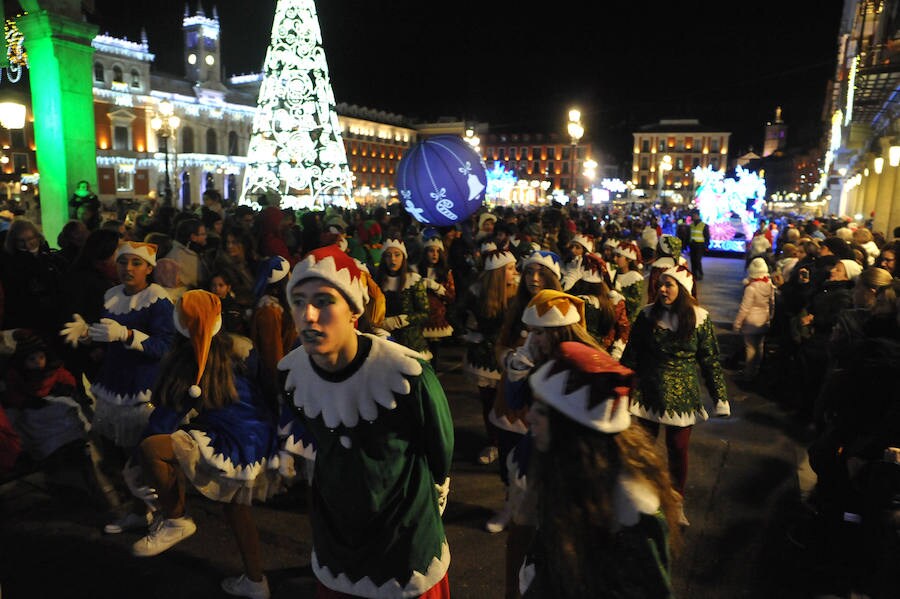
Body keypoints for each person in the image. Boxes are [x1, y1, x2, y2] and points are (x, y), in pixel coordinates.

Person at [278, 245, 453, 598]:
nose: (308, 315)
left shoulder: (406, 374)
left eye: (324, 300)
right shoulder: (293, 375)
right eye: (298, 301)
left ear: (354, 311)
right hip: (336, 541)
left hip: (404, 544)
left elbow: (440, 449)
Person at [126, 290, 280, 599]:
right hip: (261, 437)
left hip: (231, 443)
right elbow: (266, 389)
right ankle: (255, 581)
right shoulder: (240, 347)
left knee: (152, 449)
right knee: (236, 508)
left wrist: (134, 464)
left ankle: (176, 519)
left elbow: (164, 422)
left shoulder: (187, 362)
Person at [514, 342, 679, 599]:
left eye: (543, 411)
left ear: (573, 428)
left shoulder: (633, 502)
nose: (530, 416)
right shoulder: (564, 461)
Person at [60, 241, 176, 531]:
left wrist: (126, 334)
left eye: (136, 263)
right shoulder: (112, 295)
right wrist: (91, 336)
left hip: (144, 389)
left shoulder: (158, 298)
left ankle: (169, 515)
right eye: (123, 262)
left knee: (148, 458)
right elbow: (109, 341)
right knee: (125, 455)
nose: (128, 268)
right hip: (114, 383)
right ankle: (140, 511)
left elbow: (164, 346)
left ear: (149, 268)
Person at [621, 265, 730, 526]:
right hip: (649, 390)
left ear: (683, 289)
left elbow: (710, 360)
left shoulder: (700, 318)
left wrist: (719, 397)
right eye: (660, 284)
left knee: (678, 449)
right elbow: (632, 354)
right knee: (644, 448)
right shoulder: (647, 315)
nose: (661, 289)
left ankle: (675, 500)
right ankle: (645, 497)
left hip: (683, 395)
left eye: (669, 285)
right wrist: (622, 389)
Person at [377, 238, 431, 358]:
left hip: (411, 343)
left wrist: (400, 320)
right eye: (388, 255)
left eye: (397, 255)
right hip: (385, 341)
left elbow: (424, 313)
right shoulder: (377, 281)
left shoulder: (413, 280)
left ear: (403, 257)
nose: (393, 259)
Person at [732, 257, 775, 381]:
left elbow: (744, 308)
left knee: (750, 348)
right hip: (764, 320)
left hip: (751, 322)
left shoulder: (751, 288)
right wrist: (770, 317)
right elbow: (772, 303)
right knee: (760, 346)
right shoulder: (769, 284)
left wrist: (737, 324)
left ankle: (749, 373)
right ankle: (757, 370)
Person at [689, 212, 710, 280]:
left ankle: (700, 274)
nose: (693, 217)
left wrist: (706, 246)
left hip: (700, 245)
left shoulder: (704, 225)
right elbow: (689, 235)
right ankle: (694, 275)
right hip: (692, 244)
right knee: (693, 260)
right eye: (693, 215)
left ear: (698, 216)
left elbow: (707, 236)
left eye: (694, 215)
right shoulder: (691, 225)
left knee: (697, 260)